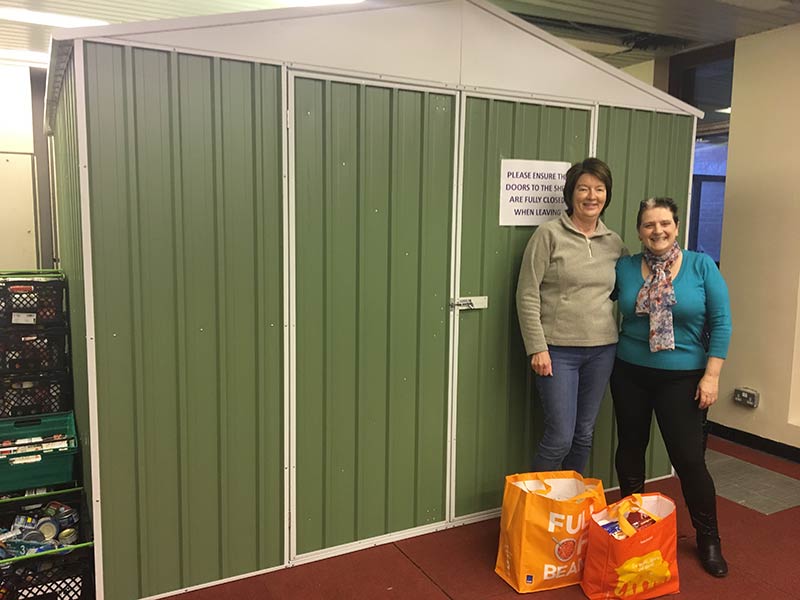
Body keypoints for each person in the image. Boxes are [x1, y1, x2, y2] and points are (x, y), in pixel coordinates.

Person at [611, 197, 732, 577]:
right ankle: (632, 524)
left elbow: (722, 322)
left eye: (664, 223)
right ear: (639, 231)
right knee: (631, 448)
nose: (657, 231)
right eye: (649, 225)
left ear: (676, 226)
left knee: (689, 460)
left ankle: (708, 538)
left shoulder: (701, 266)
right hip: (629, 371)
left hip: (684, 378)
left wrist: (711, 376)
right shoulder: (626, 268)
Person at [516, 157, 627, 475]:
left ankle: (569, 507)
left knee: (583, 435)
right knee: (560, 438)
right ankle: (538, 511)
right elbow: (527, 293)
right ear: (571, 193)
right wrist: (537, 347)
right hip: (557, 352)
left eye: (599, 188)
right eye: (583, 188)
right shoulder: (548, 235)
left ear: (607, 195)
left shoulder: (614, 242)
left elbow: (629, 287)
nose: (591, 196)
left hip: (603, 350)